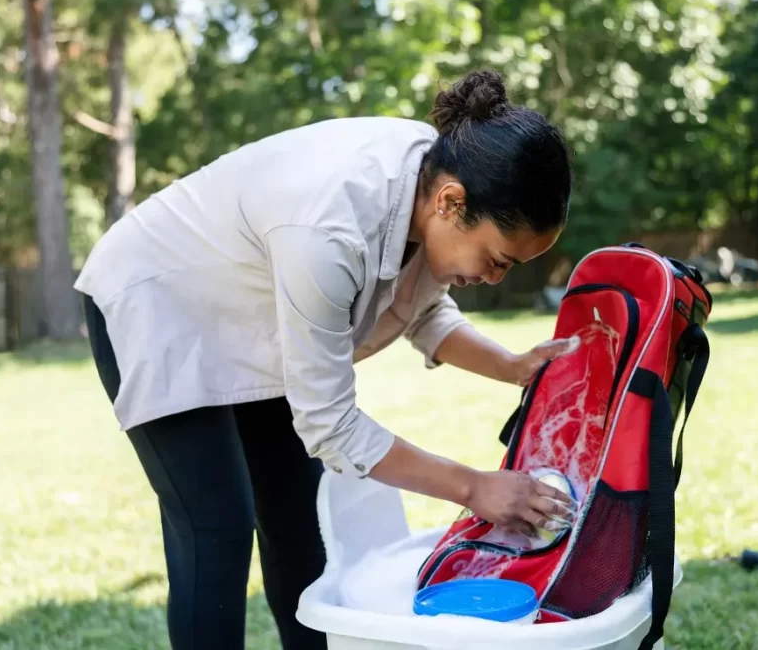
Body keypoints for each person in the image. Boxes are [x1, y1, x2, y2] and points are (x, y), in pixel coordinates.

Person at [74, 69, 579, 650]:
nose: (493, 279)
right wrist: (473, 488)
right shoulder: (331, 226)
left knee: (297, 524)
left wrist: (513, 366)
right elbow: (331, 425)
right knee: (216, 527)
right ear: (450, 202)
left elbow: (422, 309)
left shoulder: (440, 175)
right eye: (497, 260)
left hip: (253, 320)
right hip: (156, 300)